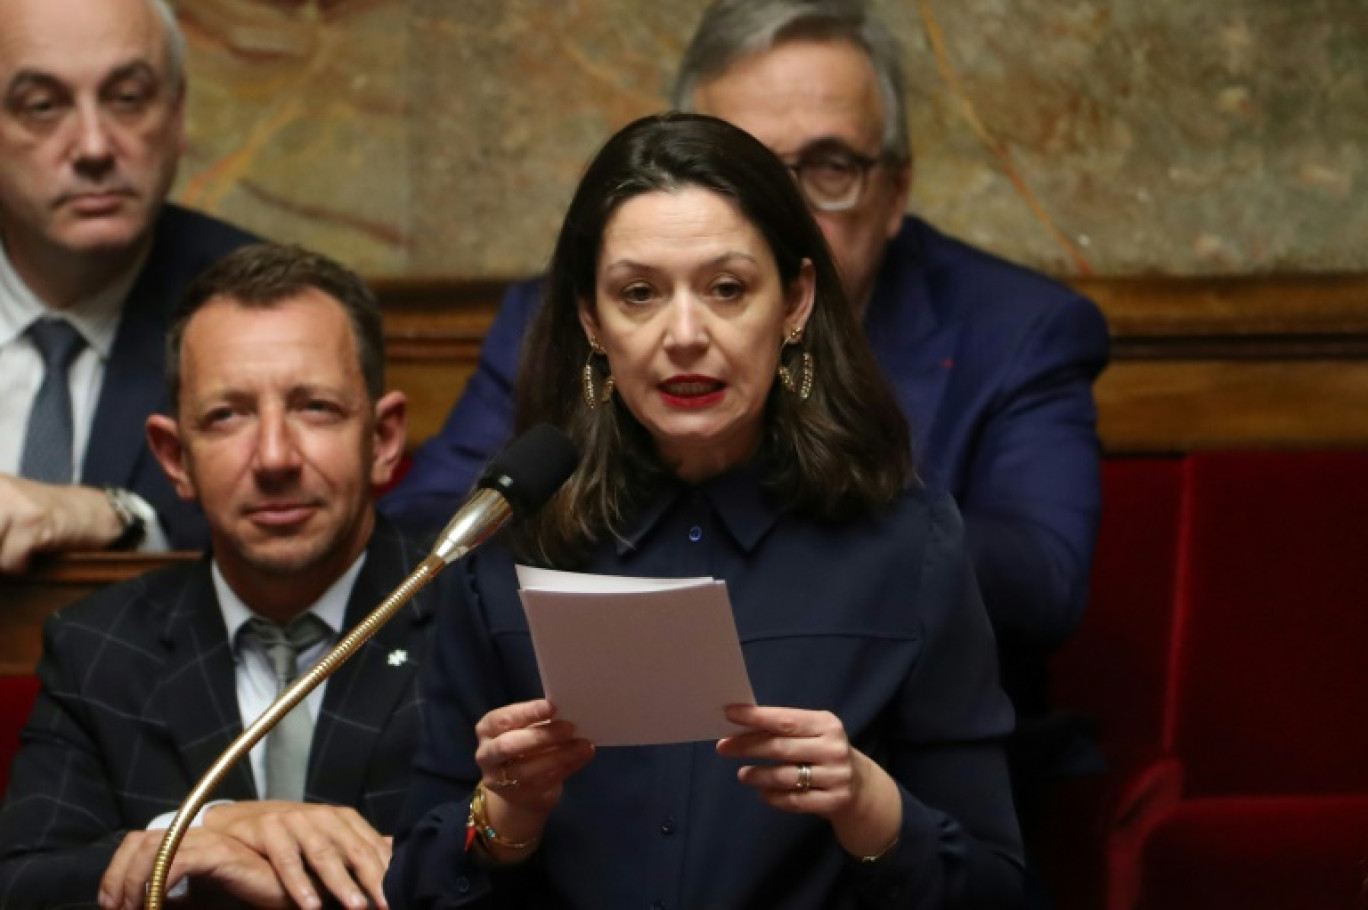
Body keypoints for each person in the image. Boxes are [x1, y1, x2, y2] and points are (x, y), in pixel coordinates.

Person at [381, 0, 1108, 817]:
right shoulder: (564, 318)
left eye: (828, 167)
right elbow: (429, 532)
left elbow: (1043, 584)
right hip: (603, 802)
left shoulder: (1018, 331)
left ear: (895, 189)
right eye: (748, 164)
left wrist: (809, 517)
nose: (780, 204)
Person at [385, 113, 1024, 909]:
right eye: (639, 294)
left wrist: (868, 804)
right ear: (592, 319)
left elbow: (1001, 890)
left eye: (727, 289)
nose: (685, 335)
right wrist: (508, 815)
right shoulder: (510, 547)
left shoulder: (908, 546)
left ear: (794, 301)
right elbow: (416, 885)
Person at [0, 244, 441, 910]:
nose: (273, 457)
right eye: (227, 415)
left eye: (314, 407)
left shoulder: (477, 615)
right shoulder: (99, 650)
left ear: (381, 440)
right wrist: (187, 836)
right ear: (175, 458)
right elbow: (22, 883)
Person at [0, 0, 257, 571]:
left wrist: (116, 517)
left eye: (127, 99)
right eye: (42, 106)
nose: (93, 147)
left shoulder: (262, 303)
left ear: (177, 110)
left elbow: (298, 531)